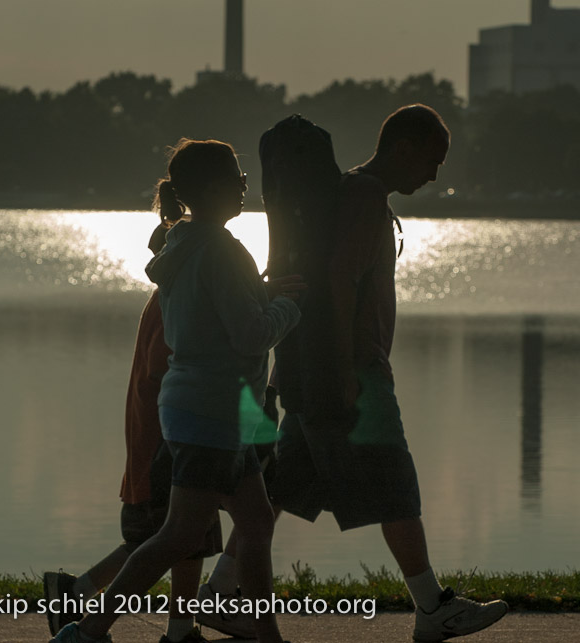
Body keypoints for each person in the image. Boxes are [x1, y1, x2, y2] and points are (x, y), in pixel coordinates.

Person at [200, 105, 508, 643]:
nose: (434, 174)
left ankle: (222, 590)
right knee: (395, 484)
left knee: (280, 488)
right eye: (432, 160)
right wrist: (342, 370)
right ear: (403, 146)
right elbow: (339, 280)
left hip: (310, 367)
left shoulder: (349, 193)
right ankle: (433, 607)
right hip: (355, 373)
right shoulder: (365, 199)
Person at [50, 139, 304, 643]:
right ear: (213, 189)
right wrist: (291, 307)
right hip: (212, 411)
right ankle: (86, 631)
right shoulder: (222, 250)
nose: (245, 186)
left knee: (254, 523)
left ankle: (266, 635)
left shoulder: (183, 245)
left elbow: (218, 315)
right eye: (239, 178)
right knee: (179, 535)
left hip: (203, 409)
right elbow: (250, 335)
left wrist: (265, 296)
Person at [43, 210, 221, 643]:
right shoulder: (171, 307)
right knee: (178, 535)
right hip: (170, 437)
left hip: (155, 435)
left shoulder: (162, 301)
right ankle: (158, 626)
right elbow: (166, 371)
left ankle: (85, 592)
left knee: (171, 536)